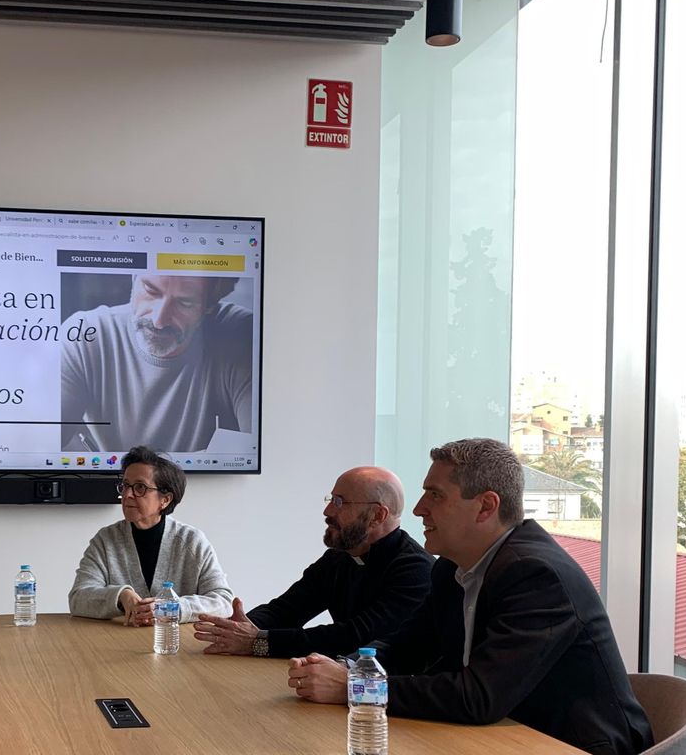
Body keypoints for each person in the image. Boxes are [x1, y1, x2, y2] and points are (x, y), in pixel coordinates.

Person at [287, 438, 654, 755]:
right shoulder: (451, 568)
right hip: (504, 743)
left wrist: (354, 686)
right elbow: (409, 646)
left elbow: (478, 696)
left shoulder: (537, 575)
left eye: (435, 495)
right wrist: (343, 666)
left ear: (485, 507)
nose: (417, 509)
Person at [192, 465, 432, 659]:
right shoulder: (339, 558)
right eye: (331, 499)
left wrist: (258, 642)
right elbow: (286, 609)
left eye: (340, 502)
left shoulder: (415, 570)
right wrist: (237, 626)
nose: (327, 511)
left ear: (377, 515)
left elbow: (356, 636)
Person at [60, 273, 253, 453]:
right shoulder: (85, 334)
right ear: (134, 278)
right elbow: (42, 444)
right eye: (150, 291)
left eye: (184, 303)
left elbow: (262, 454)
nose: (159, 320)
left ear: (209, 306)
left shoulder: (242, 335)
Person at [68, 445, 233, 625]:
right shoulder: (106, 540)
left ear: (165, 499)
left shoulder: (191, 541)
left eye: (140, 488)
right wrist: (121, 595)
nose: (128, 494)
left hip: (175, 644)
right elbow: (78, 598)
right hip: (116, 642)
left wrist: (172, 608)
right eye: (125, 486)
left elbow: (223, 602)